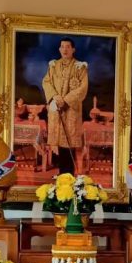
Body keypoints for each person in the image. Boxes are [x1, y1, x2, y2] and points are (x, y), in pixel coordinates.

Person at [42, 37, 88, 172]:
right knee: (58, 143)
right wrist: (55, 97)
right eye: (62, 46)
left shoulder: (80, 67)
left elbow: (83, 88)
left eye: (68, 47)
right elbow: (46, 82)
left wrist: (66, 100)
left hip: (71, 110)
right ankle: (61, 176)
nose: (65, 49)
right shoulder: (53, 66)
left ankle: (69, 176)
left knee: (69, 143)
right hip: (56, 108)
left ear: (73, 49)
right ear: (59, 49)